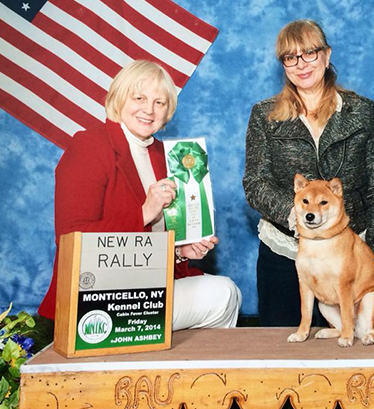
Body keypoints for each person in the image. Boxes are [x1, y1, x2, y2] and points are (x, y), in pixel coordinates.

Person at [39, 60, 241, 329]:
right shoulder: (89, 145)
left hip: (145, 288)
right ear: (119, 98)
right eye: (139, 98)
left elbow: (149, 247)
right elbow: (71, 238)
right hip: (96, 295)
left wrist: (180, 252)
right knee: (223, 293)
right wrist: (144, 212)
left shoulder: (163, 154)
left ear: (168, 111)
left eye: (159, 103)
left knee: (227, 293)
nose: (149, 110)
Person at [243, 19, 374, 327]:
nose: (301, 64)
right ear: (283, 64)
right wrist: (297, 216)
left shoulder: (362, 111)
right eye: (290, 57)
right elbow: (255, 183)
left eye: (310, 53)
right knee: (279, 346)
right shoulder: (264, 114)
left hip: (349, 255)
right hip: (285, 253)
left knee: (351, 347)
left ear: (327, 55)